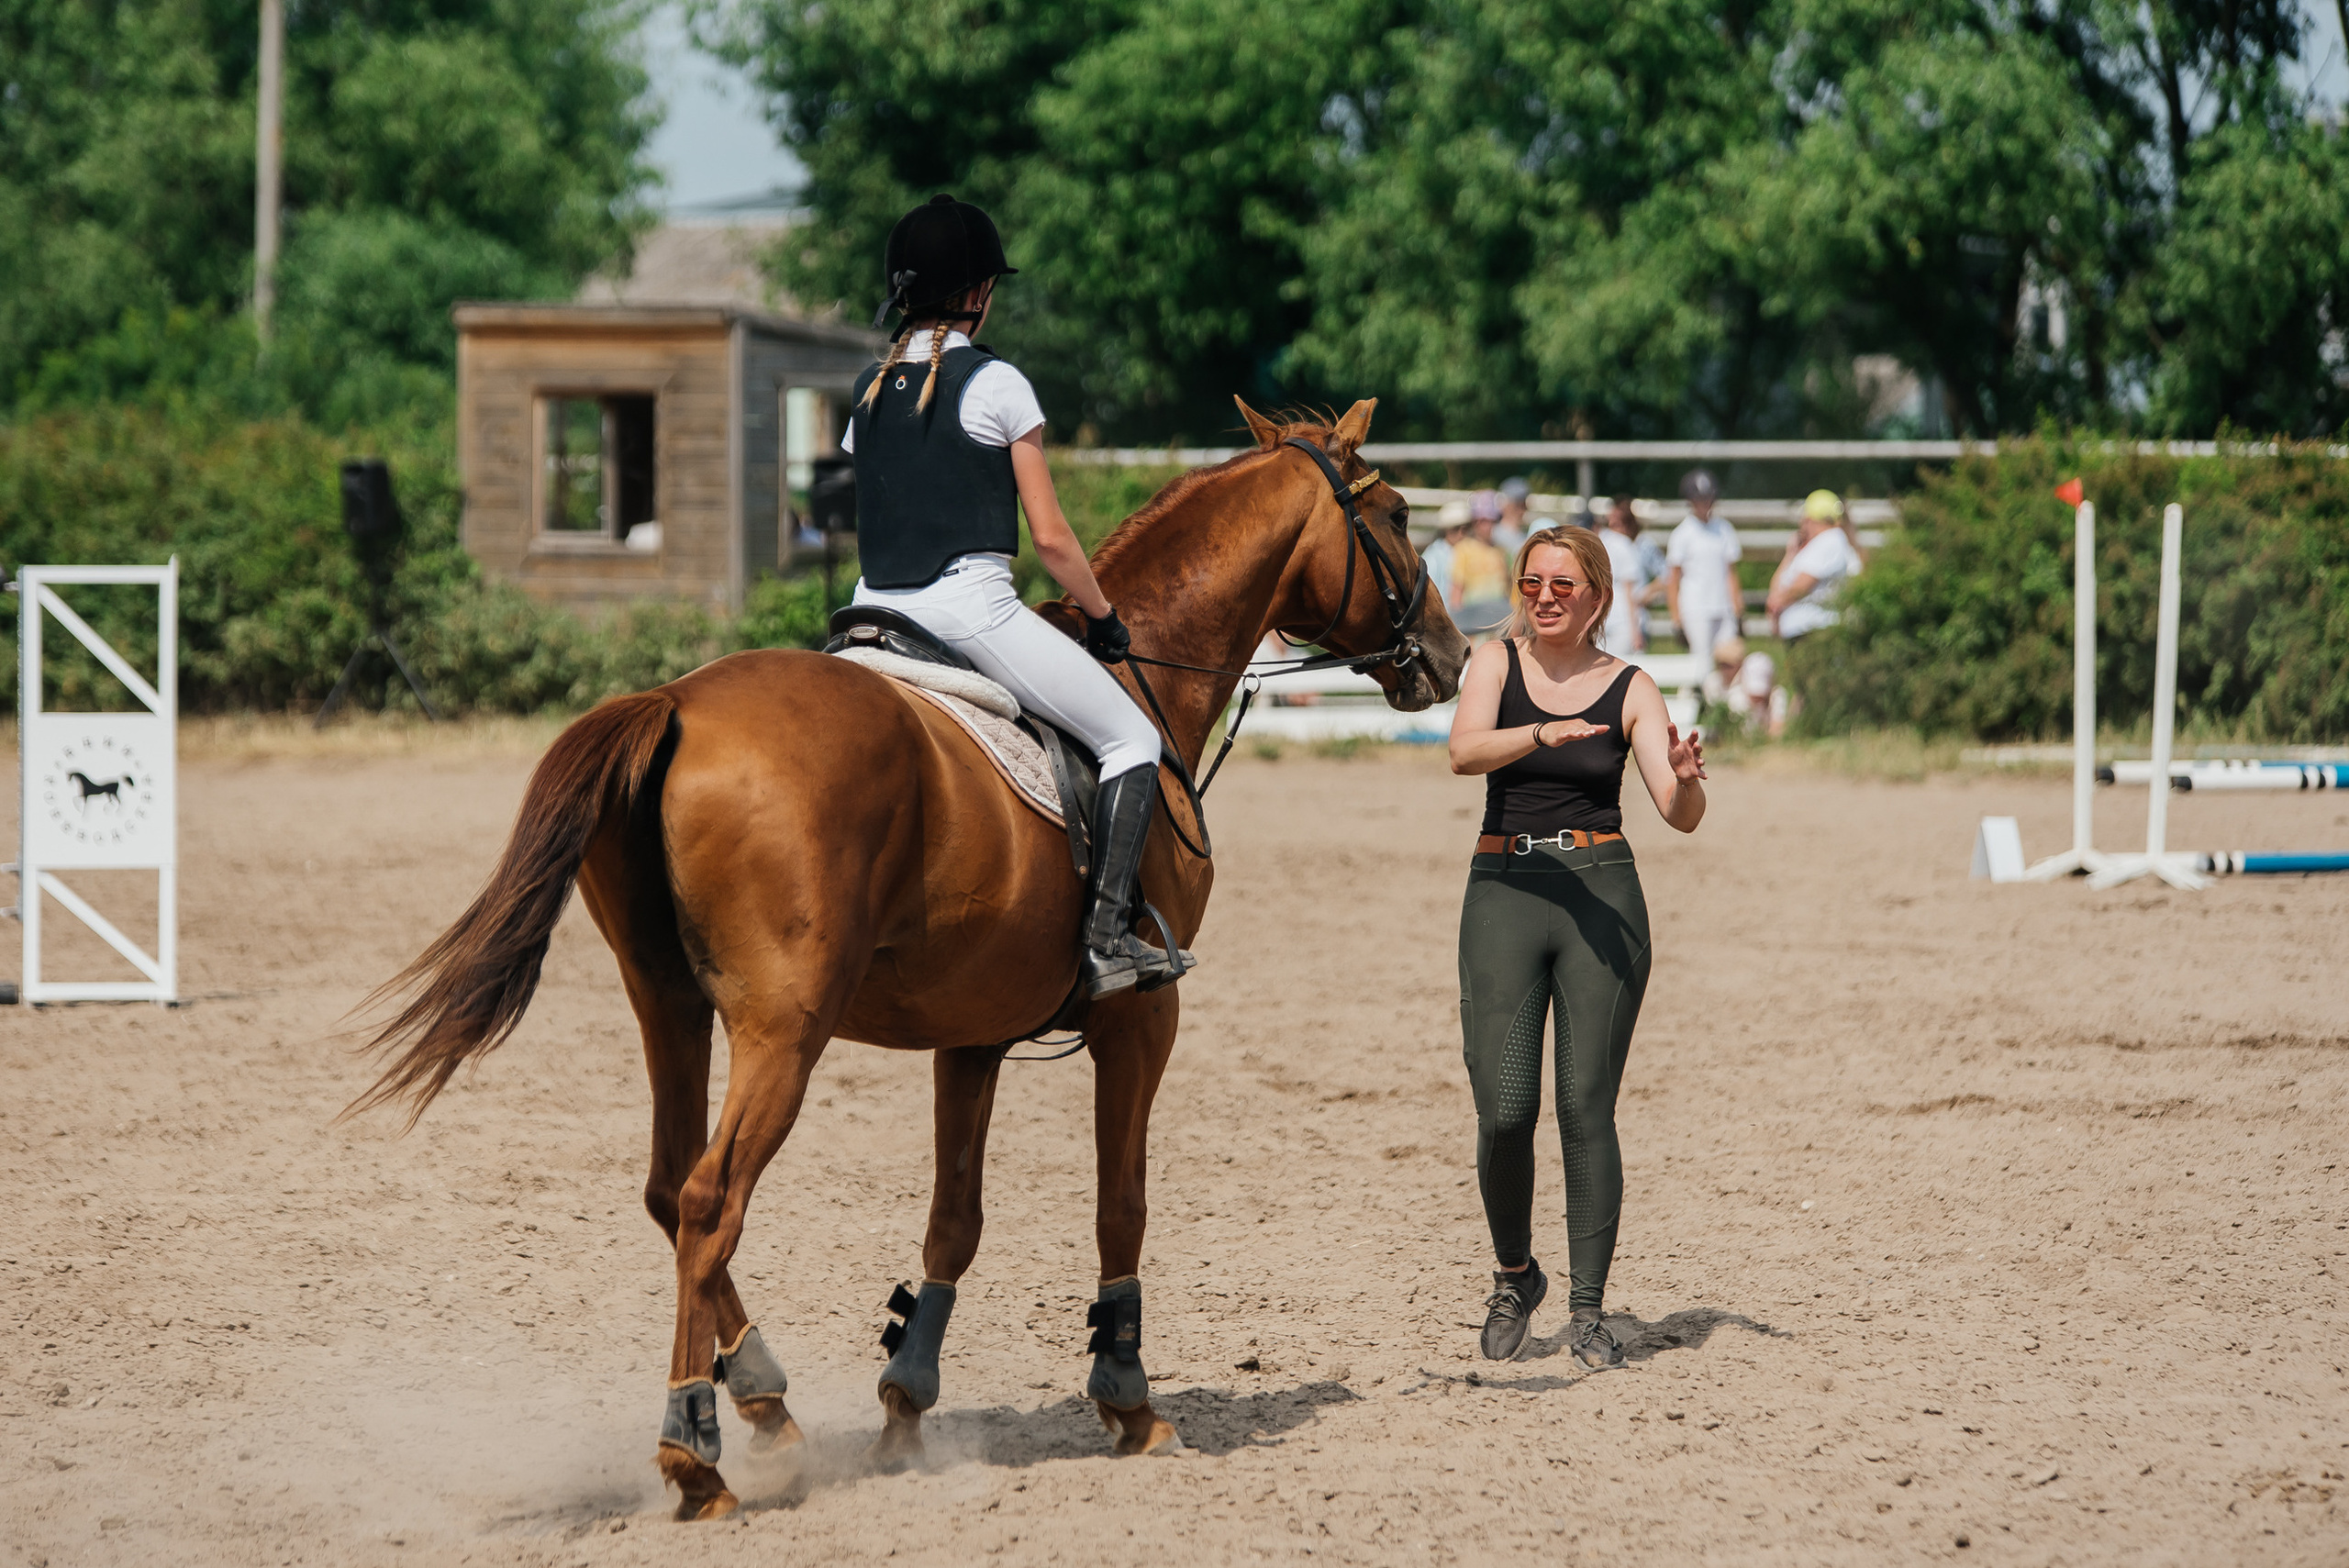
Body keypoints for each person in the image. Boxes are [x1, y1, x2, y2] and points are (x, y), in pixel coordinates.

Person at [844, 195, 1186, 998]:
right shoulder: (997, 382)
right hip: (967, 611)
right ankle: (1107, 942)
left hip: (867, 613)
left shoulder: (866, 387)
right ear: (975, 295)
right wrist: (1103, 619)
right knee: (1132, 739)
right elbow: (1056, 541)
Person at [1446, 527, 1708, 1367]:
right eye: (1533, 582)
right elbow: (1463, 751)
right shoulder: (1495, 663)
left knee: (1585, 1106)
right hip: (1505, 892)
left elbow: (1677, 809)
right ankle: (1517, 1273)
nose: (1545, 596)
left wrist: (1688, 773)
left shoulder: (1633, 687)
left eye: (1563, 583)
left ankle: (1590, 1309)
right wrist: (1540, 736)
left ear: (1597, 593)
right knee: (1504, 1109)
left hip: (1603, 897)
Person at [1767, 489, 1865, 646]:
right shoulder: (1814, 546)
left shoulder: (1830, 540)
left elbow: (1801, 586)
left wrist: (1777, 602)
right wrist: (1790, 555)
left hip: (1813, 629)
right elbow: (1776, 588)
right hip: (1801, 630)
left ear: (1810, 519)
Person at [1664, 469, 1741, 664]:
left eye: (1709, 498)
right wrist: (1676, 618)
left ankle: (1723, 695)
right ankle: (1697, 694)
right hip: (1695, 606)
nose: (1706, 503)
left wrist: (1738, 608)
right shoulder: (1682, 534)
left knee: (1731, 658)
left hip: (1723, 606)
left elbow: (1730, 572)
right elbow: (1673, 579)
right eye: (1700, 499)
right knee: (1701, 661)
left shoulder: (1724, 529)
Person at [1451, 498, 1512, 639]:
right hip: (1473, 622)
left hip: (1498, 622)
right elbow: (1457, 590)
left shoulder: (1502, 551)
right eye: (1482, 521)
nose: (1487, 526)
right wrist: (1459, 627)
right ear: (1474, 523)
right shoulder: (1464, 549)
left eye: (1491, 521)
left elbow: (1508, 589)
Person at [1594, 498, 1649, 655]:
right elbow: (1628, 590)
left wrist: (1635, 630)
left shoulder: (1614, 544)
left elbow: (1629, 590)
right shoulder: (1618, 544)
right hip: (1613, 622)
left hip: (1614, 621)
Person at [1701, 635, 1786, 737]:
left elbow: (1777, 727)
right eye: (1722, 664)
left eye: (1728, 665)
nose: (1724, 670)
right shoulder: (1712, 682)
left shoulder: (1774, 693)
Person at [1423, 502, 1470, 611]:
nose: (1461, 534)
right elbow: (1429, 595)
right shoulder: (1434, 556)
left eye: (1465, 529)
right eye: (1456, 529)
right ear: (1446, 530)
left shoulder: (1469, 552)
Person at [1495, 478, 1532, 557]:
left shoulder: (1525, 536)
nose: (1523, 511)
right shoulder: (1494, 535)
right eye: (1519, 506)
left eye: (1523, 506)